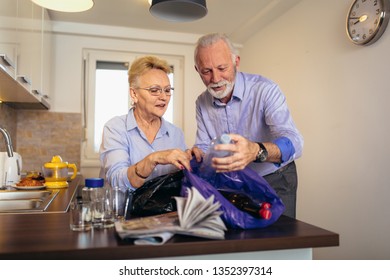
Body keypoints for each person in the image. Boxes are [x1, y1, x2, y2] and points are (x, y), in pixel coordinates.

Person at [191, 33, 304, 218]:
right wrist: (197, 153)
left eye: (222, 68)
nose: (216, 78)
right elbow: (204, 146)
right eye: (206, 71)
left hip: (275, 178)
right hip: (234, 182)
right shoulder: (201, 102)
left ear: (236, 61)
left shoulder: (265, 89)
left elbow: (296, 142)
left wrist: (256, 150)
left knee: (278, 241)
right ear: (197, 70)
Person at [100, 56, 191, 191]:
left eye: (167, 90)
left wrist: (196, 163)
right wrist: (154, 158)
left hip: (165, 212)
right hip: (125, 212)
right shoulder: (115, 128)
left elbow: (184, 182)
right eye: (154, 90)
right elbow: (117, 181)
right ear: (134, 94)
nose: (163, 97)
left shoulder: (176, 134)